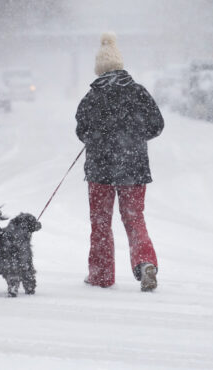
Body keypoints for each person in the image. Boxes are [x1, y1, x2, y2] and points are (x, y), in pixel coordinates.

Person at [75, 32, 165, 292]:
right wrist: (134, 139)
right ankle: (145, 262)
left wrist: (99, 139)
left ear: (100, 68)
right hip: (133, 167)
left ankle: (101, 274)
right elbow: (157, 125)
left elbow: (81, 131)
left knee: (101, 223)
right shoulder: (138, 92)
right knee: (135, 218)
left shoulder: (92, 97)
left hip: (100, 169)